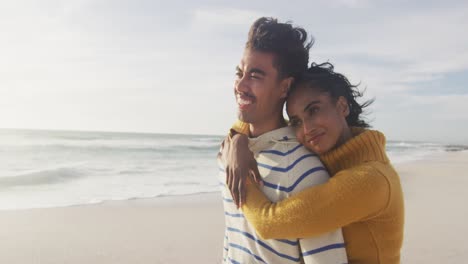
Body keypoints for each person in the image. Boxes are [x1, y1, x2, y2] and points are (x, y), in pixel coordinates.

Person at [227, 62, 405, 264]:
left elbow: (268, 223)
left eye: (313, 110)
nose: (307, 128)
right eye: (296, 121)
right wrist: (238, 139)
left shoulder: (372, 180)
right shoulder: (328, 153)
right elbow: (258, 125)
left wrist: (241, 176)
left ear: (342, 106)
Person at [217, 17, 347, 263]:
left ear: (284, 88)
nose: (241, 86)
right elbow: (233, 241)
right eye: (239, 72)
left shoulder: (305, 172)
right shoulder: (229, 154)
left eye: (255, 75)